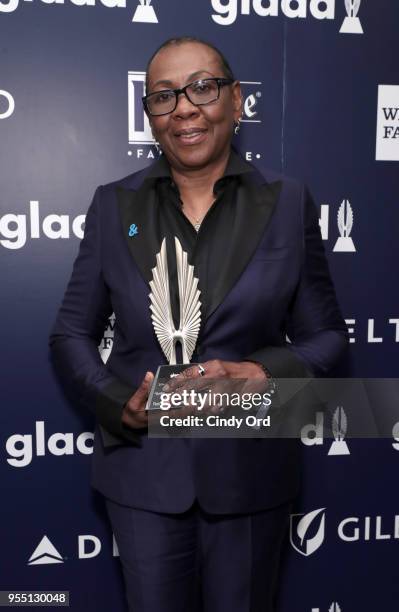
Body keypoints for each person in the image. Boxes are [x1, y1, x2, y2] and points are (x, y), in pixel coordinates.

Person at [49, 36, 348, 612]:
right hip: (142, 474)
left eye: (202, 88)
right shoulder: (115, 206)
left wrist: (266, 371)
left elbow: (327, 335)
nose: (184, 108)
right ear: (150, 117)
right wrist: (116, 400)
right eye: (163, 97)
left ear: (236, 101)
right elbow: (70, 333)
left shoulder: (287, 203)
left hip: (251, 476)